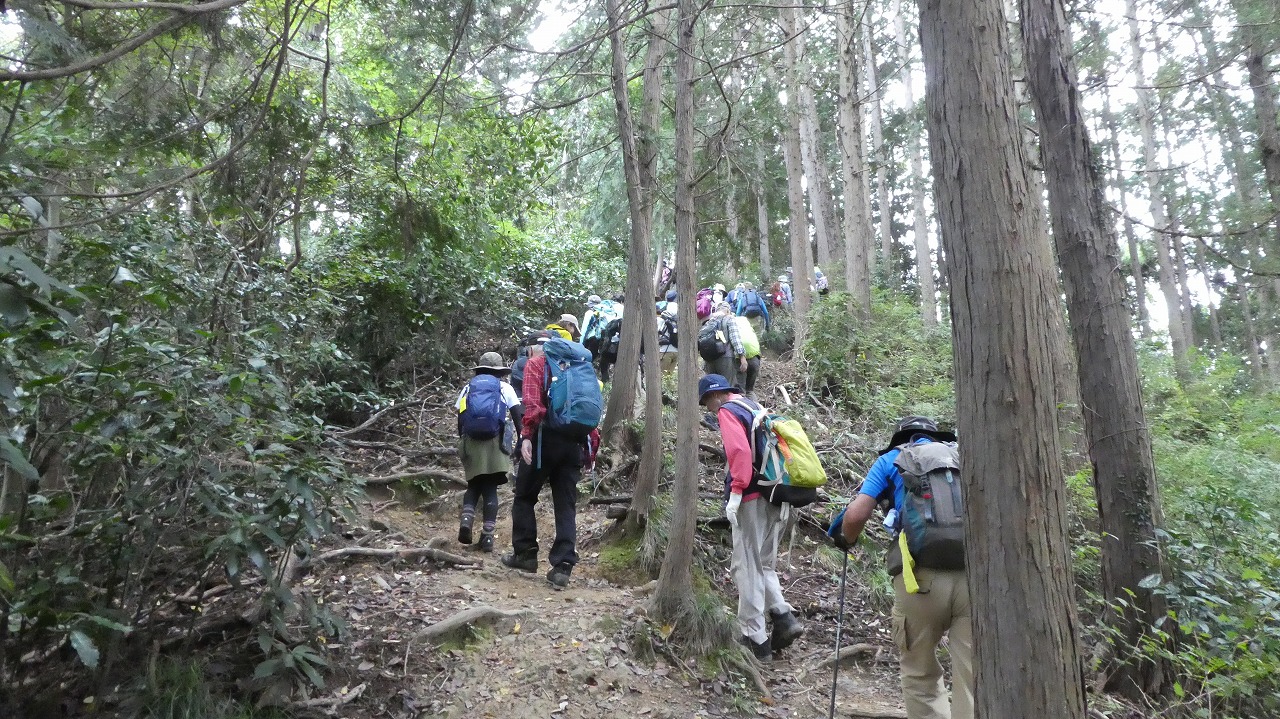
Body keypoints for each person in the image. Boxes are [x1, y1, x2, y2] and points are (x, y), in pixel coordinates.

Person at [837, 417, 971, 719]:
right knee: (972, 676)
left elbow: (856, 516)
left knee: (920, 672)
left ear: (900, 438)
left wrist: (847, 539)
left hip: (917, 579)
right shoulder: (961, 457)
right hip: (971, 576)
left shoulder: (891, 460)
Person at [699, 374, 804, 662]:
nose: (709, 409)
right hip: (776, 495)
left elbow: (739, 452)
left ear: (715, 395)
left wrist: (736, 491)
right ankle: (783, 617)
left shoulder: (728, 411)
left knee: (745, 566)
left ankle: (753, 637)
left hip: (751, 497)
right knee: (764, 564)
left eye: (707, 402)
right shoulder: (754, 407)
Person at [503, 336, 601, 587]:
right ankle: (563, 565)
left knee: (525, 496)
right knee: (566, 504)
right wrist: (589, 451)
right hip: (574, 442)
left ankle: (525, 554)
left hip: (544, 440)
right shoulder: (579, 367)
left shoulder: (536, 364)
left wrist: (526, 436)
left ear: (534, 348)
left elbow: (533, 406)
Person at [455, 352, 523, 553]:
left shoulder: (468, 388)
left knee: (473, 485)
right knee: (491, 489)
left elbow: (460, 418)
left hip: (472, 442)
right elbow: (517, 417)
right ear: (499, 371)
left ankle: (466, 522)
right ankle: (487, 537)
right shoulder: (505, 388)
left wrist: (464, 442)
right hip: (496, 443)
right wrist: (521, 441)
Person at [701, 302, 745, 386]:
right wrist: (742, 357)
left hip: (709, 359)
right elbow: (735, 339)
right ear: (728, 310)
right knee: (727, 385)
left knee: (712, 387)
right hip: (725, 358)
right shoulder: (729, 318)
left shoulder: (709, 320)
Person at [733, 314, 762, 395]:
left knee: (740, 390)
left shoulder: (733, 328)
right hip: (754, 358)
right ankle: (752, 401)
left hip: (739, 359)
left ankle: (741, 398)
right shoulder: (749, 327)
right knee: (750, 390)